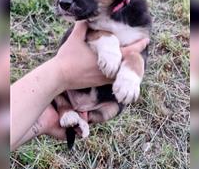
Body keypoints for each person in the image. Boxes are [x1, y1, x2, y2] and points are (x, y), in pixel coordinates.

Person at [10, 21, 150, 150]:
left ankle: (74, 112)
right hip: (68, 91)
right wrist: (63, 72)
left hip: (100, 101)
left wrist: (43, 121)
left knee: (114, 106)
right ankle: (64, 107)